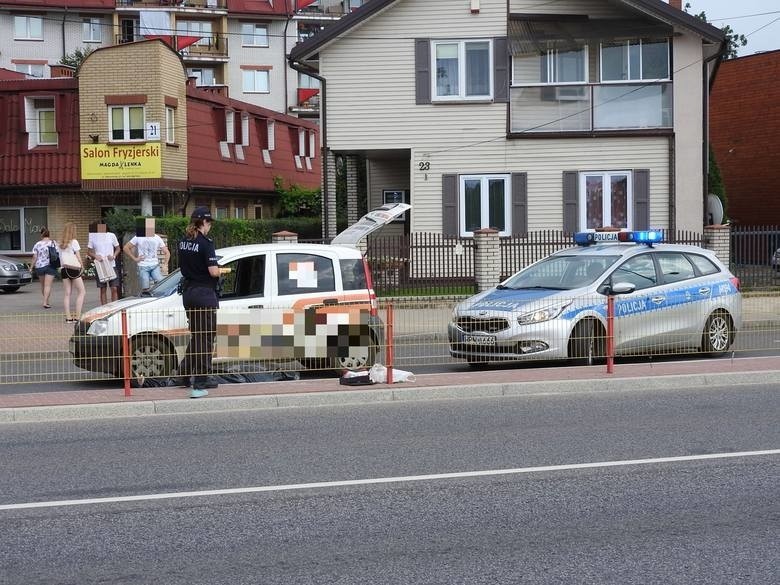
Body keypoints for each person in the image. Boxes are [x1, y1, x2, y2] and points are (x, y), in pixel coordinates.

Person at [177, 207, 222, 398]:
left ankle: (185, 374)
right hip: (204, 294)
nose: (210, 226)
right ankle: (202, 380)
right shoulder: (206, 243)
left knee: (197, 336)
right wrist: (222, 271)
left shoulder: (183, 242)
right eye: (209, 222)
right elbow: (213, 271)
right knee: (205, 338)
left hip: (189, 294)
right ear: (203, 222)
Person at [123, 230, 170, 294]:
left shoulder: (157, 238)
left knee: (160, 284)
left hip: (155, 266)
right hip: (143, 266)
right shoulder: (138, 236)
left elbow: (167, 252)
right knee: (145, 289)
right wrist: (135, 259)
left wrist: (165, 264)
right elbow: (126, 248)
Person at [58, 222, 86, 322]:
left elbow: (60, 258)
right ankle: (77, 317)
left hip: (64, 269)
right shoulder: (74, 242)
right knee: (82, 291)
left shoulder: (60, 243)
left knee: (67, 293)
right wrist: (82, 266)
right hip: (73, 269)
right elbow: (78, 256)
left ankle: (68, 317)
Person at [87, 223, 121, 305]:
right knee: (103, 289)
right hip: (100, 265)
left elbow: (118, 248)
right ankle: (104, 308)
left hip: (111, 264)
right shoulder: (93, 237)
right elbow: (89, 251)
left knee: (114, 288)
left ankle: (114, 307)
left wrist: (114, 256)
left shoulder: (111, 235)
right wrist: (95, 256)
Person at [31, 227, 58, 309]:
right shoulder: (53, 243)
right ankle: (45, 302)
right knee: (48, 286)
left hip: (39, 267)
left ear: (41, 234)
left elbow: (35, 257)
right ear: (49, 234)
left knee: (43, 285)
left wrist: (31, 267)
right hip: (50, 266)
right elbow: (58, 254)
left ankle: (46, 301)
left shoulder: (37, 244)